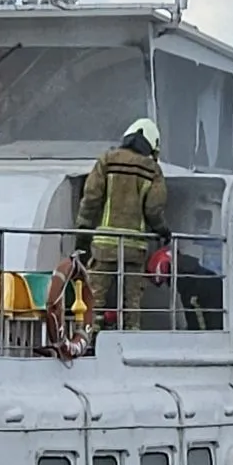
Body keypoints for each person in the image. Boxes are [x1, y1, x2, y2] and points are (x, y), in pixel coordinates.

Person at [75, 117, 171, 330]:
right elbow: (154, 209)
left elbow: (91, 198)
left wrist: (82, 231)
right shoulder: (152, 169)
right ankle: (130, 338)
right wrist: (163, 230)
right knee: (132, 303)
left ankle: (90, 340)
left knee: (95, 299)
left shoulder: (107, 160)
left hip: (104, 246)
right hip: (134, 248)